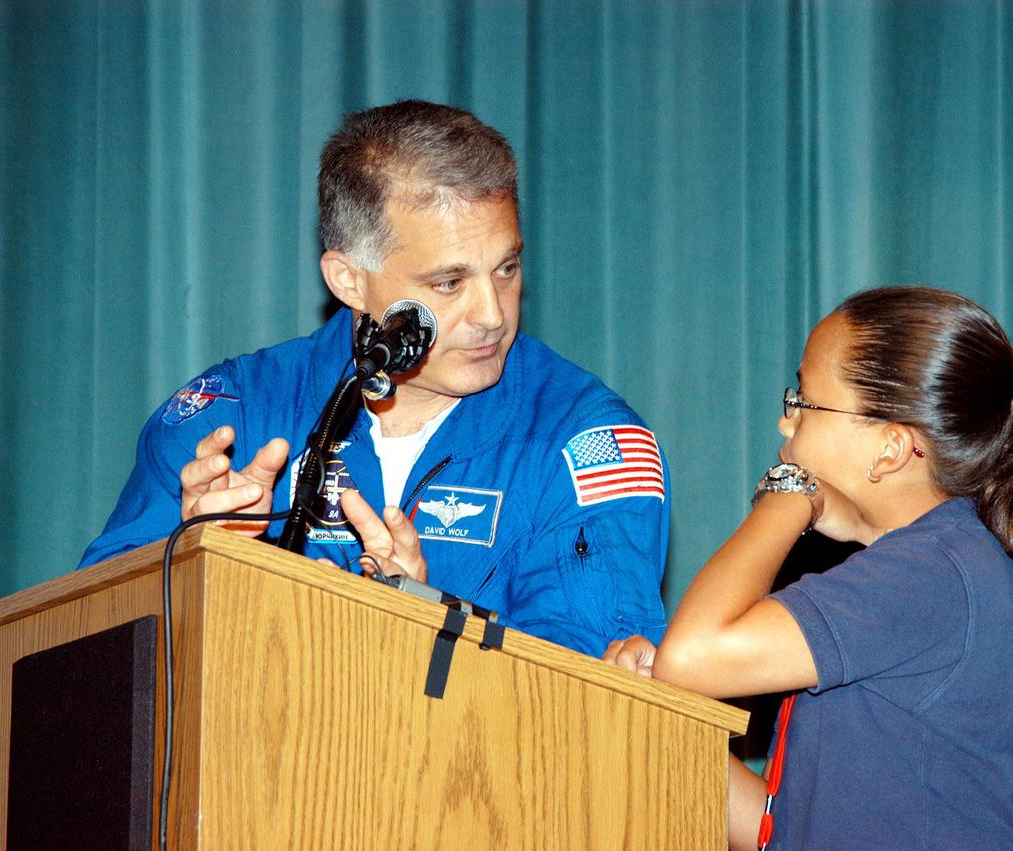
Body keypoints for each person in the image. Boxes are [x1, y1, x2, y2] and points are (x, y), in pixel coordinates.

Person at [80, 100, 669, 658]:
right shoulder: (229, 417)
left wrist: (431, 617)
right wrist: (196, 565)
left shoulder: (588, 440)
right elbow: (86, 650)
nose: (493, 315)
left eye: (507, 269)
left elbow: (594, 697)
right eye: (449, 283)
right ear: (349, 281)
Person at [605, 286, 1013, 849]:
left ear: (890, 448)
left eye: (805, 402)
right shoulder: (922, 568)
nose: (784, 422)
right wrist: (658, 719)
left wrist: (793, 491)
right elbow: (781, 828)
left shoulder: (932, 572)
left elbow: (694, 657)